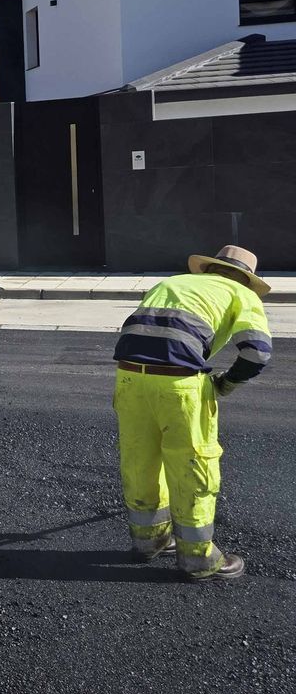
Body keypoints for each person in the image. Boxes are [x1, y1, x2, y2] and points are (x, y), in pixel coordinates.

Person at [112, 245, 272, 582]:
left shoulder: (172, 283)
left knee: (140, 459)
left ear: (211, 269)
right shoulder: (242, 295)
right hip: (179, 384)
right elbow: (257, 352)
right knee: (192, 464)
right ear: (246, 279)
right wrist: (226, 384)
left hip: (128, 377)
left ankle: (149, 541)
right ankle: (199, 558)